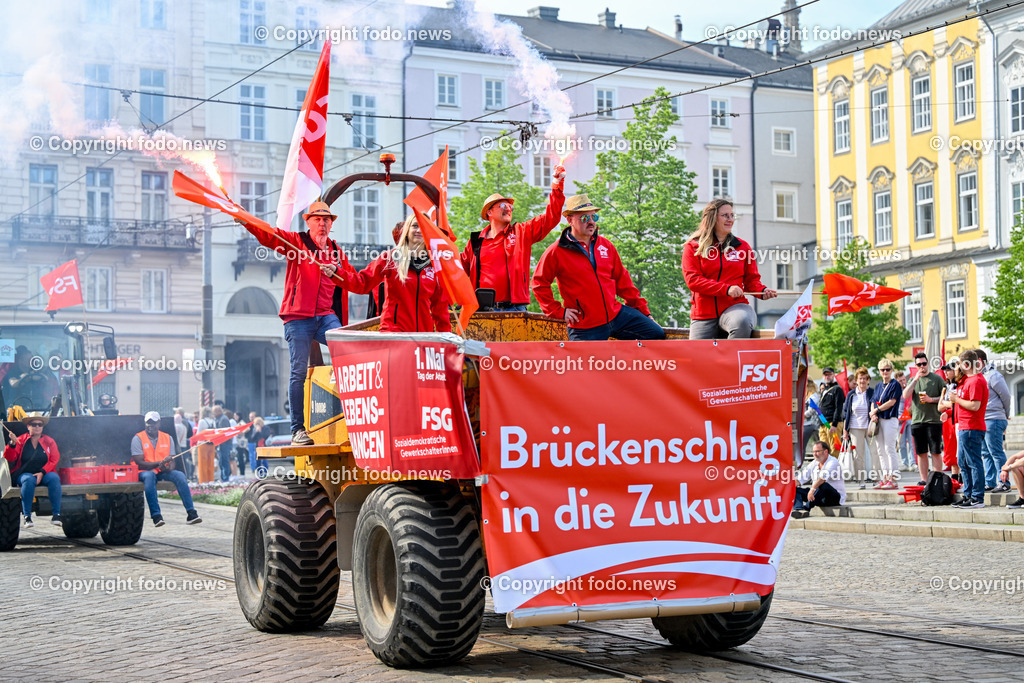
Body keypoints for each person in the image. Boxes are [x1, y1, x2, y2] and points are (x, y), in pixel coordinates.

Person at [237, 201, 352, 446]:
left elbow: (355, 278)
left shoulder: (336, 251)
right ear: (308, 221)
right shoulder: (297, 243)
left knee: (347, 349)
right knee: (298, 372)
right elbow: (270, 236)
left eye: (326, 219)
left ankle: (351, 417)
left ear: (331, 223)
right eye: (317, 219)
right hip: (297, 317)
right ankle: (297, 430)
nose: (322, 224)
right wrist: (247, 220)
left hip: (325, 315)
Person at [531, 194, 665, 341]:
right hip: (584, 325)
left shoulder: (606, 245)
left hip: (616, 316)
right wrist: (558, 311)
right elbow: (539, 283)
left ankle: (617, 357)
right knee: (583, 358)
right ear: (570, 220)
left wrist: (644, 312)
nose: (591, 222)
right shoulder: (556, 251)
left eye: (593, 217)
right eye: (584, 218)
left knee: (656, 333)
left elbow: (624, 282)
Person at [461, 167, 565, 311]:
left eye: (510, 206)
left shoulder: (521, 232)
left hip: (514, 309)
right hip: (482, 310)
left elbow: (551, 218)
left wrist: (557, 184)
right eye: (503, 205)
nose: (509, 208)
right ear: (489, 212)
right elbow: (458, 271)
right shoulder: (476, 241)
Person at [682, 199, 777, 339]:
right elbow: (693, 280)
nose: (730, 219)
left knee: (742, 322)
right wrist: (726, 289)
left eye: (732, 215)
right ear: (712, 218)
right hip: (703, 314)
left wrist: (762, 291)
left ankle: (732, 354)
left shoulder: (743, 247)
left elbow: (751, 281)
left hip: (736, 307)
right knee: (697, 353)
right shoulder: (693, 247)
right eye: (725, 215)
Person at [338, 215, 451, 333]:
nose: (418, 230)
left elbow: (440, 309)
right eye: (415, 226)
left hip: (423, 336)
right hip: (394, 333)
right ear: (407, 230)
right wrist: (336, 272)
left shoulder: (435, 265)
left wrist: (447, 338)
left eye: (423, 226)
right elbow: (362, 283)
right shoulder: (389, 258)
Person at [132, 411, 201, 527]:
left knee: (180, 475)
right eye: (148, 423)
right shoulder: (138, 438)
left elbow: (172, 462)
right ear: (145, 424)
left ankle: (191, 513)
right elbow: (139, 462)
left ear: (159, 424)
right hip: (143, 471)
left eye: (154, 423)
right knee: (149, 477)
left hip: (161, 471)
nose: (151, 425)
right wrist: (158, 463)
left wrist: (167, 467)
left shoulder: (168, 438)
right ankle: (156, 516)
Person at [3, 413, 62, 527]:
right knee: (29, 480)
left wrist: (42, 472)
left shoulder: (49, 441)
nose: (37, 427)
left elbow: (54, 459)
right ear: (28, 426)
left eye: (40, 424)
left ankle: (56, 515)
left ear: (43, 427)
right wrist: (12, 443)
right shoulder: (20, 440)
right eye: (34, 424)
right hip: (24, 474)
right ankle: (27, 517)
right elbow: (10, 457)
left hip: (44, 473)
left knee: (54, 478)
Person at [949, 350, 989, 509]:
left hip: (972, 426)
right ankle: (969, 494)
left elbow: (974, 405)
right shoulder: (967, 380)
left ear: (966, 364)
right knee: (963, 462)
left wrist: (956, 399)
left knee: (973, 462)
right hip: (964, 426)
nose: (958, 367)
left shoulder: (976, 381)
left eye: (960, 364)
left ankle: (977, 497)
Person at [902, 352, 946, 485]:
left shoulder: (936, 379)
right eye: (919, 364)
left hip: (934, 421)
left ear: (928, 363)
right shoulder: (913, 379)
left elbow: (945, 396)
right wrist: (915, 379)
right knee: (921, 452)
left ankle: (937, 479)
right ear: (916, 366)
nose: (922, 366)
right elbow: (905, 395)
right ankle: (924, 480)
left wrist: (931, 399)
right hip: (917, 421)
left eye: (924, 363)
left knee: (935, 452)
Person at [976, 349, 1012, 492]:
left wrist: (1005, 414)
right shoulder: (980, 376)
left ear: (979, 361)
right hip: (984, 419)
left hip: (994, 418)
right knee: (986, 452)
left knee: (996, 452)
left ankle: (1004, 482)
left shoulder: (993, 375)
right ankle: (990, 482)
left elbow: (1006, 396)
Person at [842, 367, 880, 488]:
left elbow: (877, 407)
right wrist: (845, 430)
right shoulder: (851, 395)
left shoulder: (872, 392)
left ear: (868, 380)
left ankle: (877, 479)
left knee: (875, 452)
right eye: (860, 378)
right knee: (858, 455)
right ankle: (861, 480)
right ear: (856, 380)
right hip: (855, 428)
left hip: (870, 427)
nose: (862, 381)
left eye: (864, 378)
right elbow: (846, 413)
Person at [869, 359, 902, 489]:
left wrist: (876, 410)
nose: (885, 372)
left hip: (890, 418)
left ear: (891, 370)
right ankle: (885, 477)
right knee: (880, 450)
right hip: (879, 419)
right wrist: (873, 413)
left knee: (889, 448)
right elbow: (873, 401)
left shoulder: (895, 384)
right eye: (883, 370)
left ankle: (893, 479)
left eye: (888, 369)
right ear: (879, 371)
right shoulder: (878, 386)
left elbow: (892, 402)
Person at [0, 345, 59, 412]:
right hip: (17, 406)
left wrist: (38, 376)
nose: (31, 361)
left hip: (40, 407)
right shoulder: (13, 371)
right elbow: (13, 383)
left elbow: (47, 379)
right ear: (21, 360)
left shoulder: (37, 370)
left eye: (32, 359)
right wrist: (27, 378)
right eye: (28, 360)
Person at [793, 440, 846, 512]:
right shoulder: (814, 463)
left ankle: (806, 508)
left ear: (825, 452)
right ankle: (798, 509)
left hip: (833, 498)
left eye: (817, 451)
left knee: (822, 485)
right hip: (817, 496)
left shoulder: (833, 462)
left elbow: (822, 478)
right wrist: (790, 486)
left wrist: (812, 490)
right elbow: (801, 478)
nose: (815, 454)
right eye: (813, 452)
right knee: (794, 489)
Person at [937, 359, 961, 481]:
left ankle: (961, 477)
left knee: (957, 450)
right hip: (947, 422)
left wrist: (946, 404)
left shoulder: (959, 385)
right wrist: (948, 404)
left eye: (949, 370)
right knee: (949, 450)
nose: (946, 372)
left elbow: (956, 404)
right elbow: (939, 406)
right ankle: (954, 477)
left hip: (956, 420)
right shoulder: (946, 387)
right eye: (945, 370)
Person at [818, 367, 846, 445]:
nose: (827, 376)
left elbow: (838, 408)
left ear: (833, 375)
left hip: (832, 423)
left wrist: (834, 424)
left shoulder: (837, 389)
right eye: (825, 375)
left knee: (834, 448)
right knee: (823, 448)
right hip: (823, 423)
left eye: (829, 374)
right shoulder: (824, 389)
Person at [893, 370, 915, 471]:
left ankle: (912, 462)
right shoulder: (895, 391)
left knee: (911, 442)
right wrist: (897, 417)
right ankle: (904, 463)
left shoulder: (909, 390)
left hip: (910, 418)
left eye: (904, 380)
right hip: (899, 420)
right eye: (900, 381)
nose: (903, 382)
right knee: (901, 443)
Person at [213, 405, 232, 482]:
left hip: (224, 444)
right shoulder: (219, 419)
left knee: (224, 461)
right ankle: (223, 477)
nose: (213, 414)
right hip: (221, 444)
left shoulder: (223, 419)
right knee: (221, 462)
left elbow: (224, 433)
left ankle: (225, 478)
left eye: (214, 412)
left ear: (218, 411)